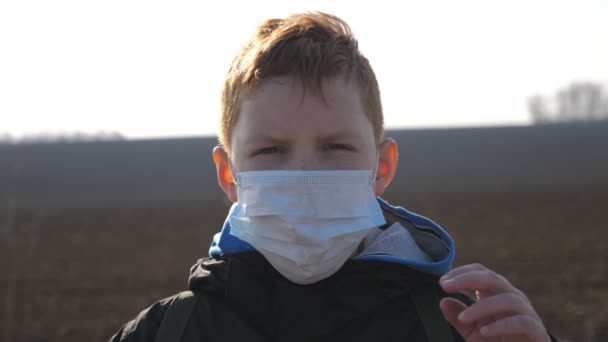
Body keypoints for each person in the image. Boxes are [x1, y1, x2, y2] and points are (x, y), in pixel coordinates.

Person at [109, 11, 555, 342]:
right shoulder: (164, 334)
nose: (304, 175)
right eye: (270, 150)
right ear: (229, 174)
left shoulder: (462, 328)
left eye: (336, 147)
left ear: (381, 168)